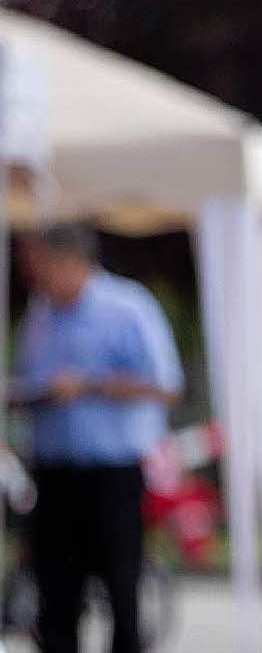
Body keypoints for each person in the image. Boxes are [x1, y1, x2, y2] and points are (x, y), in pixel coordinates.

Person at [11, 224, 184, 653]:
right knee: (55, 596)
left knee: (120, 590)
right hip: (54, 474)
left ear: (72, 262)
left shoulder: (127, 308)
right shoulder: (41, 315)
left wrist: (90, 386)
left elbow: (165, 386)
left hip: (112, 475)